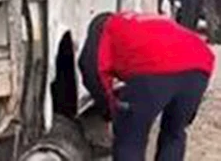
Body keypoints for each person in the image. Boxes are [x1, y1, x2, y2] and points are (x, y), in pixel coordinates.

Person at [78, 11, 215, 161]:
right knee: (174, 132)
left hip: (154, 68)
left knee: (131, 136)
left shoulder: (103, 27)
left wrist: (108, 107)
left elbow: (90, 68)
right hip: (200, 63)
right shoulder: (138, 23)